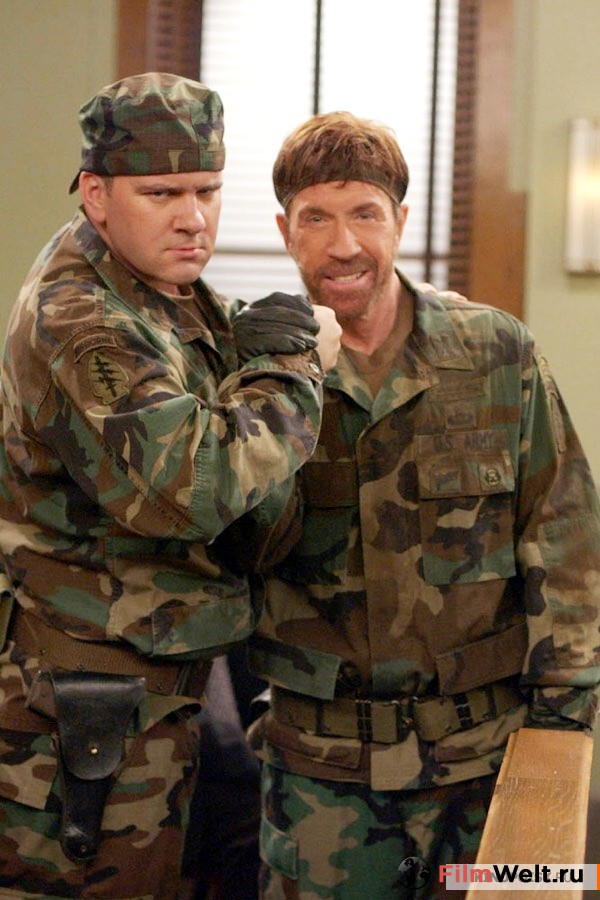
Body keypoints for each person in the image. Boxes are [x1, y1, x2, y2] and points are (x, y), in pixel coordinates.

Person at [0, 73, 341, 900]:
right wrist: (295, 367)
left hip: (172, 690)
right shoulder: (80, 317)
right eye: (161, 194)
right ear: (96, 195)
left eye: (207, 190)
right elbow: (195, 486)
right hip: (89, 707)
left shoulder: (163, 286)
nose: (193, 217)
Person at [247, 111, 600, 899]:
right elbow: (223, 547)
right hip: (320, 777)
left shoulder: (497, 352)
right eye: (316, 218)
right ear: (285, 232)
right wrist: (279, 387)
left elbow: (565, 535)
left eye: (366, 213)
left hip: (490, 762)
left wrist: (564, 730)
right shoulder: (256, 376)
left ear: (400, 221)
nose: (344, 244)